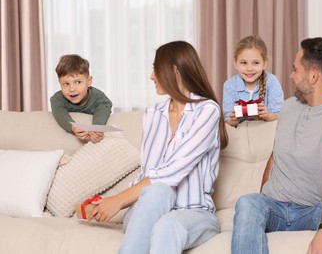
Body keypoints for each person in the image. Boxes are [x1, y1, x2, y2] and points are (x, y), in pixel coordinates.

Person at [88, 41, 229, 253]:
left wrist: (117, 200)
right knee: (157, 193)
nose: (151, 76)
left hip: (194, 213)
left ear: (175, 71)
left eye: (155, 68)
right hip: (147, 211)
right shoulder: (152, 114)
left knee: (166, 223)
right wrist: (107, 203)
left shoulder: (207, 111)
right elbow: (148, 173)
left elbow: (172, 172)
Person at [231, 37, 322, 254]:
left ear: (313, 76)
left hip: (311, 212)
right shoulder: (289, 107)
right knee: (248, 202)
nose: (291, 76)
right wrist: (265, 197)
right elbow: (276, 156)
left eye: (295, 69)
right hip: (274, 207)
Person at [223, 35, 284, 127]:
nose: (249, 68)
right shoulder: (230, 85)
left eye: (255, 63)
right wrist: (233, 119)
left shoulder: (271, 82)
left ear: (264, 63)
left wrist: (267, 115)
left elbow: (279, 115)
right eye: (244, 63)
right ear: (235, 63)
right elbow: (228, 121)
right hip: (240, 136)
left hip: (266, 134)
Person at [50, 54, 112, 143]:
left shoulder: (100, 98)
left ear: (89, 81)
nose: (72, 89)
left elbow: (102, 110)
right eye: (66, 84)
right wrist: (73, 127)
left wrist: (96, 129)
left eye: (78, 82)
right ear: (59, 83)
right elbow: (61, 115)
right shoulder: (57, 99)